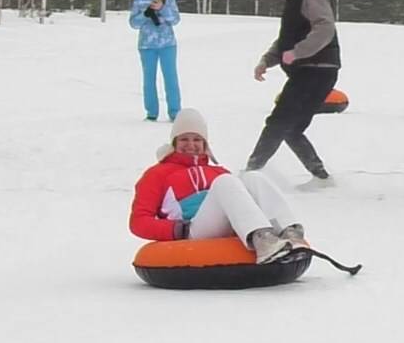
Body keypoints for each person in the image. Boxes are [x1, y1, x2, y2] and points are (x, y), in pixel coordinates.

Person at [130, 109, 305, 265]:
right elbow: (138, 221)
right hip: (192, 229)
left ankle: (290, 232)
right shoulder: (157, 174)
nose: (191, 145)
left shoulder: (217, 171)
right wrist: (176, 229)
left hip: (226, 226)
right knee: (225, 181)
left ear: (205, 144)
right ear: (174, 143)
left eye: (197, 139)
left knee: (253, 177)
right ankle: (262, 241)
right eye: (184, 139)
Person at [246, 0, 340, 187]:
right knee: (292, 127)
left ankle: (251, 171)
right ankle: (321, 177)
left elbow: (325, 28)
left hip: (317, 69)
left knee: (279, 120)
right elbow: (285, 40)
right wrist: (267, 61)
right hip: (310, 70)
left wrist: (298, 52)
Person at [130, 0, 181, 123]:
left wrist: (162, 9)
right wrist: (146, 14)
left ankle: (175, 112)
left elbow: (175, 19)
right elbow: (133, 22)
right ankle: (151, 112)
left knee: (170, 77)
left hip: (167, 44)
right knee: (149, 79)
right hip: (147, 45)